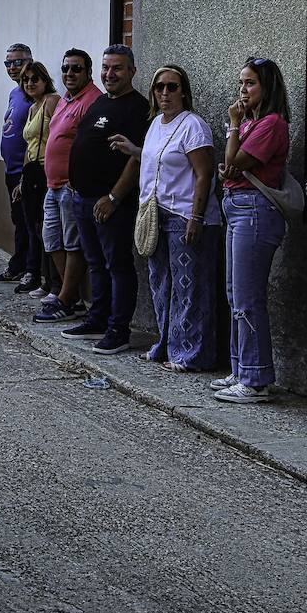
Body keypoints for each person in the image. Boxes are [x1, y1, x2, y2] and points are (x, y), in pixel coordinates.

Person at [111, 65, 219, 372]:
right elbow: (157, 159)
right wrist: (133, 149)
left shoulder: (194, 126)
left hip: (185, 215)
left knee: (190, 287)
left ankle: (191, 354)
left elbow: (203, 174)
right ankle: (166, 345)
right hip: (156, 215)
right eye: (160, 87)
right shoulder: (156, 123)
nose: (165, 93)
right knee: (161, 285)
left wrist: (196, 217)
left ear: (183, 91)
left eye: (172, 87)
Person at [207, 57, 293, 403]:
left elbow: (235, 163)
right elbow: (230, 169)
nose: (243, 90)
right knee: (234, 293)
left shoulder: (271, 124)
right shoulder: (252, 122)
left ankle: (256, 379)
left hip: (255, 210)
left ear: (267, 87)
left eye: (250, 83)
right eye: (241, 83)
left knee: (247, 296)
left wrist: (231, 125)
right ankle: (242, 368)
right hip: (237, 205)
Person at [57, 44, 149, 354]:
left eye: (117, 68)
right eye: (106, 68)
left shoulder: (137, 108)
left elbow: (136, 160)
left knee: (117, 265)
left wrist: (113, 196)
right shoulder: (99, 103)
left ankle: (118, 330)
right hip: (82, 199)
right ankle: (97, 318)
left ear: (132, 71)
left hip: (110, 203)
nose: (110, 74)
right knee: (95, 263)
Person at [34, 49, 102, 323]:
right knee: (52, 241)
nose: (69, 74)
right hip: (54, 185)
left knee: (73, 245)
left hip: (72, 186)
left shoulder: (92, 100)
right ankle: (69, 295)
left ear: (88, 72)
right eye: (65, 69)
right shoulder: (66, 98)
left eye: (76, 69)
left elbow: (90, 145)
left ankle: (66, 300)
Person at [0, 44, 35, 283]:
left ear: (30, 61)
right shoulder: (14, 93)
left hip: (25, 171)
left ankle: (30, 270)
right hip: (11, 169)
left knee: (29, 223)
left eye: (17, 62)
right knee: (18, 220)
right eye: (8, 63)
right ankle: (18, 265)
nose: (12, 68)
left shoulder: (34, 94)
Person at [15, 62, 60, 297]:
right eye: (26, 80)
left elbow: (59, 139)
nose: (30, 83)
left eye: (35, 79)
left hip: (46, 171)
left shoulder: (52, 102)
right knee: (34, 227)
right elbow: (29, 146)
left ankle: (54, 281)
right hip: (31, 172)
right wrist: (22, 179)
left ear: (45, 80)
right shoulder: (33, 108)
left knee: (48, 229)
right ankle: (44, 278)